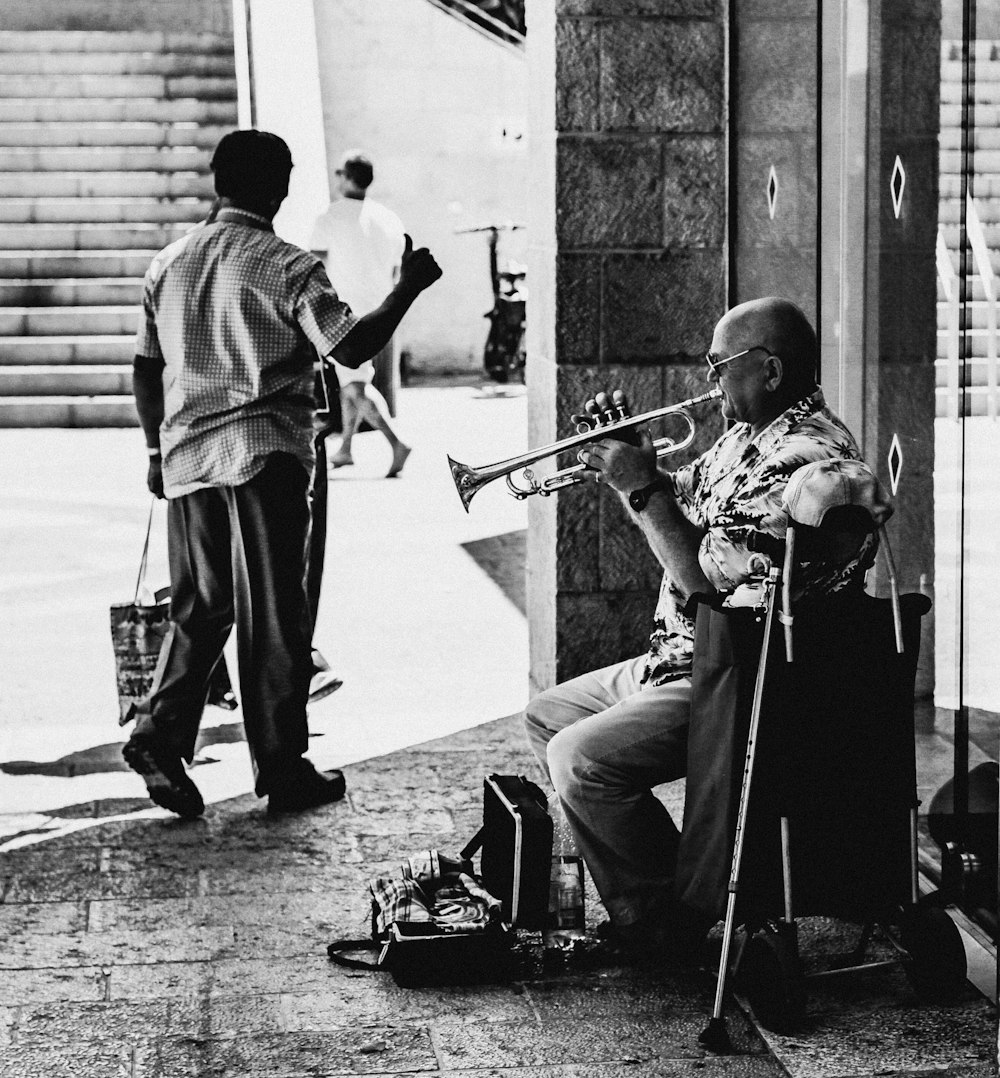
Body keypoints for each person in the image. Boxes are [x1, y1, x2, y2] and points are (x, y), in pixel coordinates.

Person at [522, 297, 878, 964]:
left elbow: (705, 588)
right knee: (547, 718)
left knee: (580, 759)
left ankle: (665, 920)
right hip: (681, 658)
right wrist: (634, 465)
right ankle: (670, 895)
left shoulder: (803, 460)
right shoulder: (750, 434)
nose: (711, 383)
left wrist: (640, 490)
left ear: (768, 370)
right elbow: (687, 501)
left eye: (720, 367)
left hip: (733, 674)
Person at [126, 129, 441, 818]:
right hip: (268, 453)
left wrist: (155, 452)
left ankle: (159, 731)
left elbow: (147, 370)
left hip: (188, 459)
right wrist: (407, 286)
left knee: (202, 607)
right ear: (282, 186)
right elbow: (353, 345)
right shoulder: (287, 266)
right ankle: (282, 765)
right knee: (276, 612)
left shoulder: (169, 263)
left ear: (217, 181)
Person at [309, 151, 411, 477]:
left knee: (354, 385)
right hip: (380, 312)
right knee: (352, 379)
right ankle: (347, 448)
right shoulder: (389, 219)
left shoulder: (329, 216)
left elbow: (314, 268)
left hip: (342, 315)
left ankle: (396, 443)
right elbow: (398, 271)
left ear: (345, 176)